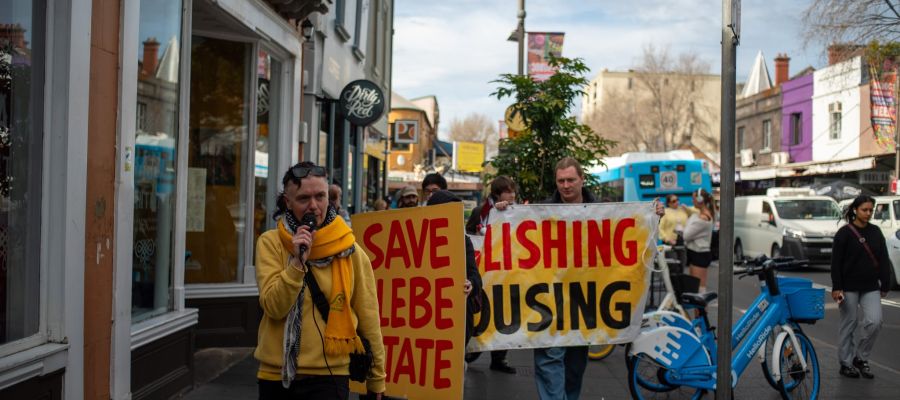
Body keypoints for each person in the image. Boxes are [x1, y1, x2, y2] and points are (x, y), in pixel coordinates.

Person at [495, 157, 663, 400]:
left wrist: (652, 216)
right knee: (549, 361)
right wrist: (503, 213)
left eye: (571, 180)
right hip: (549, 303)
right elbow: (514, 245)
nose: (565, 185)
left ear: (582, 179)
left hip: (583, 305)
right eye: (561, 181)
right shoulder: (541, 212)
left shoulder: (604, 212)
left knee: (575, 366)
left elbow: (631, 239)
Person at [254, 161, 385, 399]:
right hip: (277, 374)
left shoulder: (351, 251)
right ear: (287, 202)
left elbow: (368, 317)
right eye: (303, 198)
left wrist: (376, 378)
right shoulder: (270, 243)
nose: (313, 206)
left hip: (330, 376)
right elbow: (273, 307)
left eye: (320, 196)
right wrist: (297, 263)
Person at [831, 195, 890, 379]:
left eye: (871, 210)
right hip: (848, 287)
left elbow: (883, 259)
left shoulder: (876, 232)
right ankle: (845, 363)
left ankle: (861, 357)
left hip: (870, 286)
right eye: (865, 210)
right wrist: (837, 287)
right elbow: (836, 263)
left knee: (875, 321)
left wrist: (885, 283)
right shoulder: (844, 233)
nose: (868, 213)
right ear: (855, 210)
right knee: (849, 324)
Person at [463, 176, 517, 374]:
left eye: (513, 191)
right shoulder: (481, 212)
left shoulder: (516, 211)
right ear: (497, 194)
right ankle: (472, 349)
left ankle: (499, 358)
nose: (512, 195)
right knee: (486, 311)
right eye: (507, 192)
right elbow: (470, 237)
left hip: (507, 272)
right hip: (486, 272)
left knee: (505, 313)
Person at [426, 190, 483, 346]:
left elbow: (475, 277)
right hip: (425, 318)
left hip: (456, 318)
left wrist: (471, 284)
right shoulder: (417, 240)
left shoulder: (463, 241)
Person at [682, 188, 715, 292]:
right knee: (694, 286)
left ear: (700, 200)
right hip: (696, 252)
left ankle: (701, 303)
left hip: (699, 254)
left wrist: (686, 225)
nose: (692, 201)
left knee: (700, 287)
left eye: (693, 199)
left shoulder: (702, 218)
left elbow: (686, 235)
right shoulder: (701, 214)